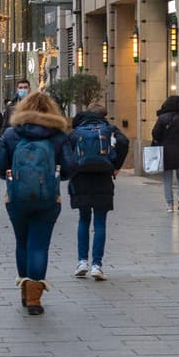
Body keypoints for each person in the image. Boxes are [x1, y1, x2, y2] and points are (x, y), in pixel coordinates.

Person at [0, 91, 71, 314]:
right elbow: (70, 167)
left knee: (22, 242)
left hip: (16, 197)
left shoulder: (12, 133)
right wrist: (55, 176)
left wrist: (12, 176)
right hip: (48, 198)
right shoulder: (58, 135)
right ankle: (35, 299)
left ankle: (25, 291)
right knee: (39, 244)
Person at [65, 104, 129, 281]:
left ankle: (82, 262)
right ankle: (97, 265)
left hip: (81, 178)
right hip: (103, 177)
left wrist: (71, 169)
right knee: (100, 222)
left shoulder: (76, 131)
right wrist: (115, 165)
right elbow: (123, 142)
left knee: (84, 219)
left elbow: (66, 151)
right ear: (103, 116)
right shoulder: (109, 129)